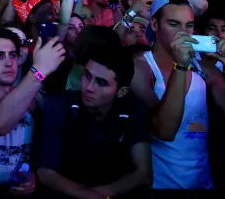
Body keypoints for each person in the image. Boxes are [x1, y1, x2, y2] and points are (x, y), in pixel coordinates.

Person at [130, 0, 225, 190]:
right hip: (160, 186)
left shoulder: (206, 69)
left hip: (203, 183)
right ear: (154, 25)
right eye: (174, 24)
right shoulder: (141, 68)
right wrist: (181, 67)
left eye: (189, 25)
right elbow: (165, 131)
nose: (183, 33)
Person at [37, 46, 153, 197]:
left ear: (121, 91)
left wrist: (102, 194)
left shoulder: (133, 108)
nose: (89, 87)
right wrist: (89, 196)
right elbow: (45, 172)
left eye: (101, 82)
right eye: (87, 76)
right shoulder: (62, 104)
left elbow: (144, 174)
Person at [0, 28, 65, 191]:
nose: (8, 62)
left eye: (12, 55)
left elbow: (37, 151)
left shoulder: (32, 100)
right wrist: (39, 70)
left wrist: (32, 177)